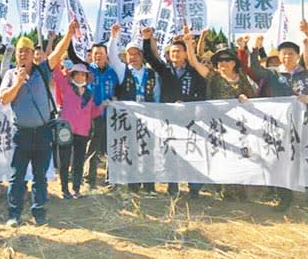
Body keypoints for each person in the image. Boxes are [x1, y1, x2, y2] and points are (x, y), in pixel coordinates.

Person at [0, 20, 78, 226]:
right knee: (17, 177)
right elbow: (4, 99)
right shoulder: (10, 75)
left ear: (33, 52)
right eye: (20, 51)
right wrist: (18, 82)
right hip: (21, 133)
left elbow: (58, 53)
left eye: (27, 50)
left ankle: (39, 212)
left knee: (40, 176)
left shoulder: (43, 70)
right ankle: (14, 214)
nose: (23, 54)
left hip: (43, 132)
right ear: (16, 54)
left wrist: (68, 34)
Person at [250, 34, 308, 213]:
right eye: (284, 54)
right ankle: (285, 199)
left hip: (306, 126)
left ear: (297, 56)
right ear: (279, 56)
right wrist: (255, 48)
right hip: (281, 125)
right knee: (282, 161)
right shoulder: (273, 74)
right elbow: (254, 69)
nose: (287, 57)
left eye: (291, 54)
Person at [184, 35, 255, 201]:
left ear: (234, 63)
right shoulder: (214, 77)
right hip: (219, 124)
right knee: (223, 154)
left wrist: (244, 96)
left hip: (239, 125)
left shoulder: (242, 77)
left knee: (239, 155)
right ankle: (224, 190)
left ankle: (240, 189)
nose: (223, 64)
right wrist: (188, 44)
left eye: (227, 60)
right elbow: (194, 62)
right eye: (220, 61)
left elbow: (251, 96)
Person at [141, 27, 206, 197]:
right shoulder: (165, 70)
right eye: (172, 52)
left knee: (191, 151)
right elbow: (150, 57)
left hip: (190, 117)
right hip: (168, 118)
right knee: (170, 151)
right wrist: (147, 39)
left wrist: (188, 104)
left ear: (185, 53)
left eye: (179, 51)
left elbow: (202, 93)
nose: (175, 54)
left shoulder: (194, 72)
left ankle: (194, 187)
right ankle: (173, 185)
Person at [108, 24, 157, 193]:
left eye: (136, 54)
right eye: (129, 54)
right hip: (129, 118)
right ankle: (133, 185)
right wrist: (113, 38)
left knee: (148, 151)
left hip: (148, 116)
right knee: (131, 150)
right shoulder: (123, 71)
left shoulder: (150, 73)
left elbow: (156, 95)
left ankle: (149, 186)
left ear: (142, 56)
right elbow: (112, 56)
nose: (133, 57)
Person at [54, 63, 106, 199]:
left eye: (83, 74)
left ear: (86, 77)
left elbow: (93, 112)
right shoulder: (67, 88)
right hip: (66, 130)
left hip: (83, 132)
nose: (80, 76)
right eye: (77, 74)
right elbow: (57, 75)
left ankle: (76, 189)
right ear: (72, 76)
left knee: (78, 162)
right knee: (64, 161)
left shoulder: (89, 94)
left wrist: (103, 106)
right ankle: (64, 189)